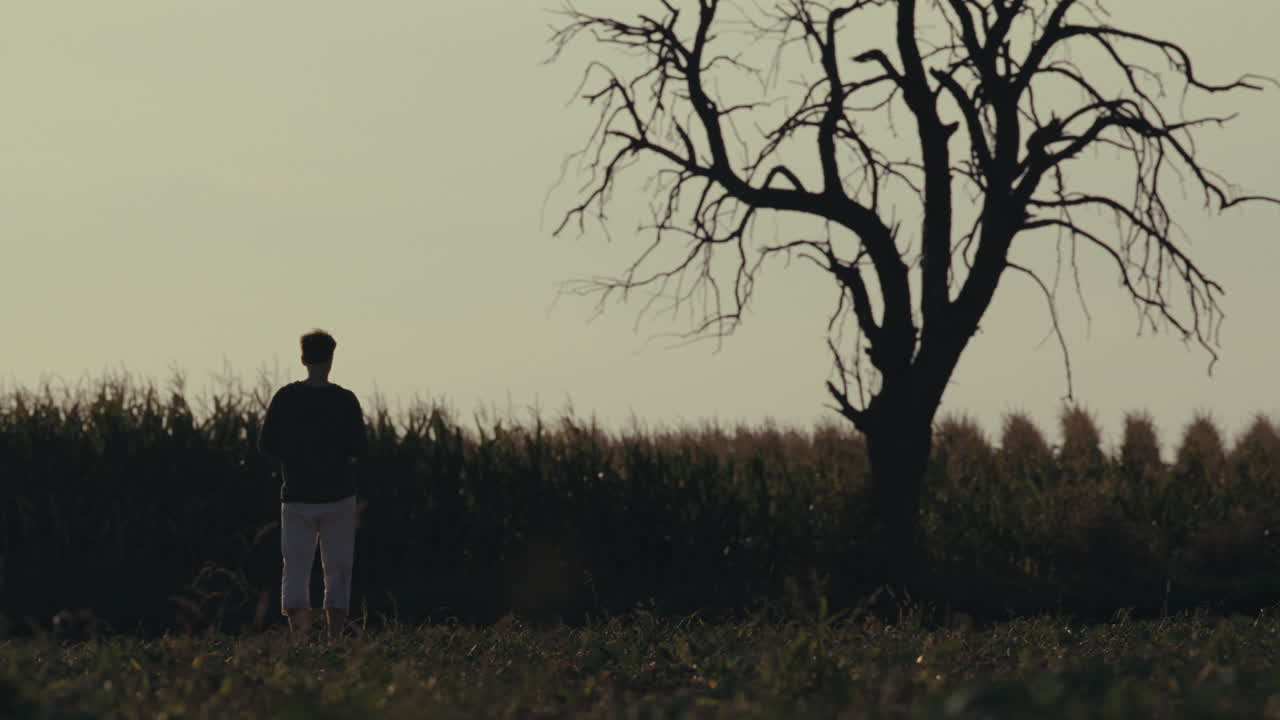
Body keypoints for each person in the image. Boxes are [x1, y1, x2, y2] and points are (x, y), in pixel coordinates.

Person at [259, 329, 368, 639]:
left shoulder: (285, 398)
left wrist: (294, 454)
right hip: (338, 497)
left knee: (294, 568)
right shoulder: (345, 400)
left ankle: (300, 638)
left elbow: (265, 444)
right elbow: (360, 448)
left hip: (297, 497)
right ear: (331, 359)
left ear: (303, 358)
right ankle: (334, 638)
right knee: (338, 569)